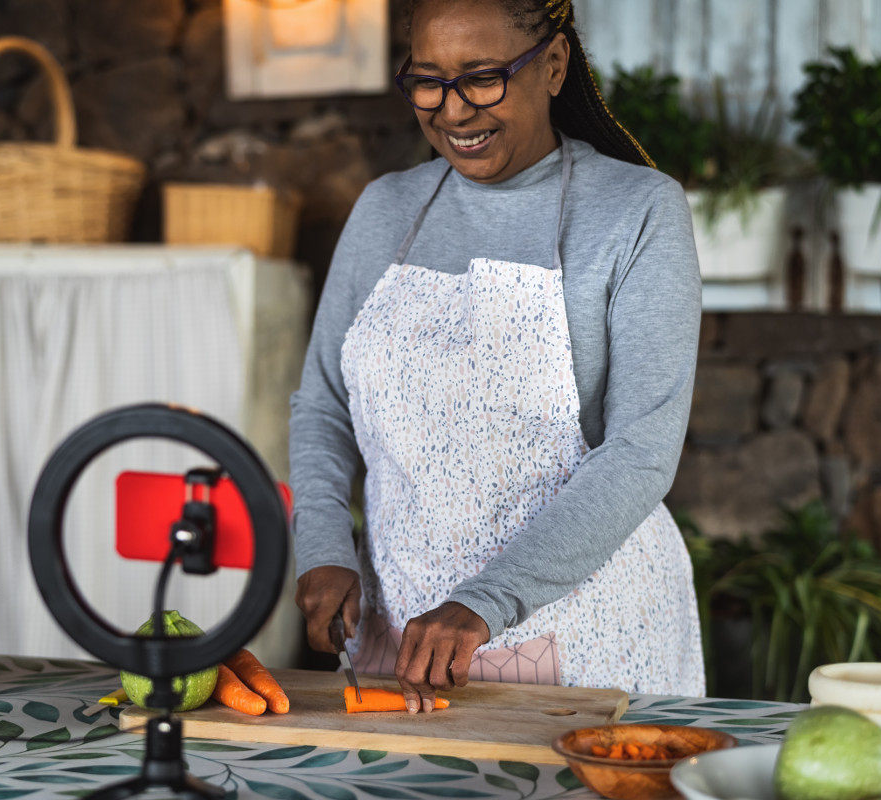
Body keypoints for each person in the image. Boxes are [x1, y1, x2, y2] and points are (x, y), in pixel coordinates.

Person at [288, 0, 706, 713]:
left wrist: (484, 601)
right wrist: (325, 547)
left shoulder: (637, 211)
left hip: (588, 638)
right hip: (402, 639)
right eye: (428, 81)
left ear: (552, 66)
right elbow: (323, 401)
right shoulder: (385, 210)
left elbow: (641, 452)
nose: (452, 112)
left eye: (482, 78)